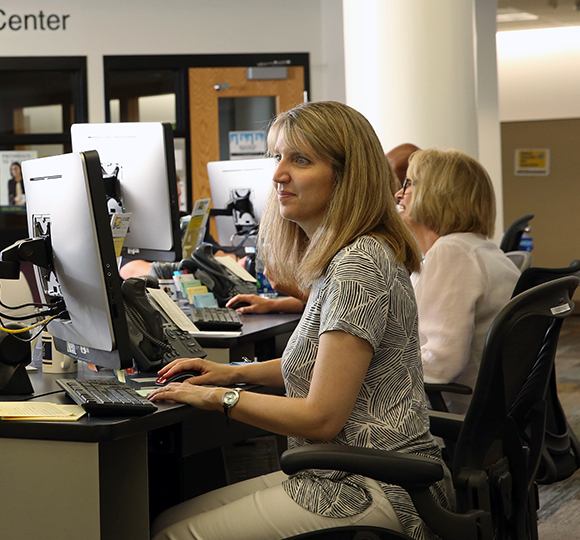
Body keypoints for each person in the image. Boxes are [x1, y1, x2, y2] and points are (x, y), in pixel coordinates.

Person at [147, 101, 452, 540]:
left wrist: (220, 397)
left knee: (169, 536)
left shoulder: (358, 264)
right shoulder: (346, 256)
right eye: (278, 157)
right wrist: (232, 371)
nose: (277, 175)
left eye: (301, 160)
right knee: (163, 521)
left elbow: (321, 418)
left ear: (347, 177)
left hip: (372, 486)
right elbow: (323, 366)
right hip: (349, 472)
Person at [395, 148, 520, 414]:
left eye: (408, 184)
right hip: (489, 413)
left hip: (447, 416)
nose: (398, 194)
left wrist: (372, 370)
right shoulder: (476, 248)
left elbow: (441, 363)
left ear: (437, 193)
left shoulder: (452, 252)